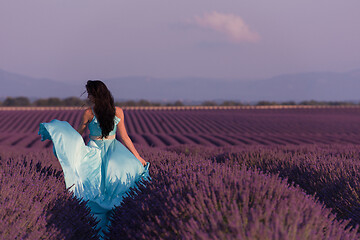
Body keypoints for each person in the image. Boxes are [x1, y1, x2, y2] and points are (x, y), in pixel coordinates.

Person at [38, 80, 150, 237]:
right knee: (108, 187)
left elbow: (80, 135)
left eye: (89, 93)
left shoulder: (92, 113)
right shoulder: (114, 111)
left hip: (98, 152)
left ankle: (104, 230)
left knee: (98, 187)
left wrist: (137, 156)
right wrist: (62, 142)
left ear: (96, 94)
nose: (88, 96)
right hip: (109, 151)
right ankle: (108, 230)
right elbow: (123, 138)